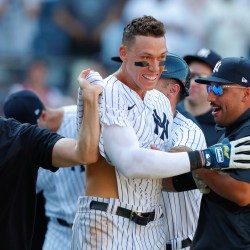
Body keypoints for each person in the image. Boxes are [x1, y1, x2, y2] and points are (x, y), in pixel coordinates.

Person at [71, 16, 250, 249]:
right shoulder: (107, 90)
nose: (154, 68)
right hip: (108, 223)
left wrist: (200, 171)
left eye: (161, 59)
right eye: (145, 59)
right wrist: (204, 160)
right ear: (124, 53)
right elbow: (131, 164)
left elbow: (162, 172)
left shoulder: (161, 103)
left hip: (152, 229)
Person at [0, 69, 102, 250]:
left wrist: (91, 99)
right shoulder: (15, 144)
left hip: (97, 228)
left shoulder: (80, 119)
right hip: (57, 229)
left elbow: (87, 153)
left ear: (44, 115)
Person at [166, 57, 250, 249]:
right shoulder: (232, 130)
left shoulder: (248, 130)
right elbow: (184, 181)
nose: (210, 97)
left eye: (219, 89)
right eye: (210, 88)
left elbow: (243, 193)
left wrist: (197, 161)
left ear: (246, 94)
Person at [155, 53, 206, 250]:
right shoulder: (138, 121)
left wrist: (143, 158)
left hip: (182, 244)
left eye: (155, 78)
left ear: (173, 89)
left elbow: (177, 162)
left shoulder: (187, 128)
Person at [177, 48, 224, 146]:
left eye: (202, 78)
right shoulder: (168, 111)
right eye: (190, 75)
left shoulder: (222, 130)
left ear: (216, 84)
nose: (193, 82)